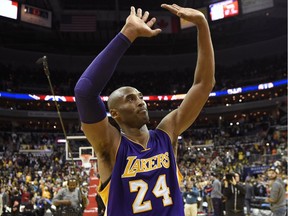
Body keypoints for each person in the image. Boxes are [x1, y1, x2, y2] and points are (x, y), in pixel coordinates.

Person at [74, 3, 215, 216]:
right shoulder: (111, 144)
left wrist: (202, 25)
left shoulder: (166, 134)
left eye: (140, 97)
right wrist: (127, 34)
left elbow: (204, 84)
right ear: (115, 113)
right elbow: (85, 91)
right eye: (130, 99)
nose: (140, 101)